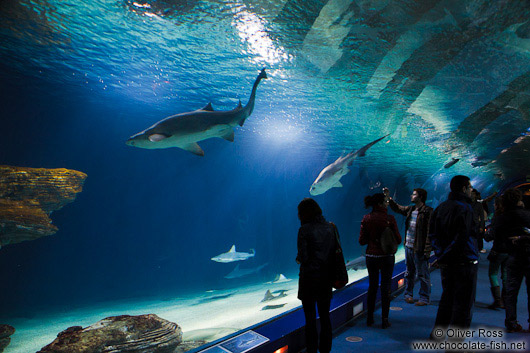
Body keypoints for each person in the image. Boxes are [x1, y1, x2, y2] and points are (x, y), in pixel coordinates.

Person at [429, 175, 478, 334]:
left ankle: (437, 336)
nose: (471, 190)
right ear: (464, 188)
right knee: (463, 306)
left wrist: (441, 256)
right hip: (464, 262)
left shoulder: (441, 207)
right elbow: (462, 238)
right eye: (470, 187)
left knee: (446, 300)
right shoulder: (466, 208)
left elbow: (433, 235)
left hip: (446, 264)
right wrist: (446, 256)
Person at [296, 198, 337, 353]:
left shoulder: (304, 230)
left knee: (310, 319)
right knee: (325, 317)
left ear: (304, 213)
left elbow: (303, 257)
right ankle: (325, 350)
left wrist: (300, 259)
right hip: (326, 279)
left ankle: (312, 350)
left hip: (309, 280)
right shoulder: (330, 227)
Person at [359, 193, 401, 328]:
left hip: (371, 256)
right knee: (385, 287)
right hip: (387, 257)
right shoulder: (390, 219)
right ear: (380, 204)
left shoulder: (366, 218)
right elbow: (398, 240)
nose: (387, 203)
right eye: (386, 201)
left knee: (372, 287)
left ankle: (370, 318)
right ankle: (384, 319)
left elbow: (362, 241)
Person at [385, 187, 433, 306]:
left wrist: (428, 248)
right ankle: (408, 294)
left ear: (420, 197)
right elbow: (398, 208)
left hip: (420, 247)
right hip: (408, 246)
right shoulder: (410, 209)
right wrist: (389, 198)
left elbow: (430, 231)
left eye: (414, 194)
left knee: (423, 274)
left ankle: (424, 297)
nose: (411, 196)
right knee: (409, 272)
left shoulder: (428, 211)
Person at [493, 188, 530, 332]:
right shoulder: (527, 215)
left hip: (513, 257)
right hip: (529, 256)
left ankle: (511, 322)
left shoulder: (502, 217)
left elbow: (494, 236)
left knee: (511, 291)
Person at [484, 195, 508, 310]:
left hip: (498, 249)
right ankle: (504, 300)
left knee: (493, 273)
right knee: (505, 275)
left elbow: (491, 235)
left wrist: (485, 235)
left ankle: (497, 300)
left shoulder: (497, 218)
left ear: (498, 205)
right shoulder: (511, 216)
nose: (493, 205)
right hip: (510, 250)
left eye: (495, 203)